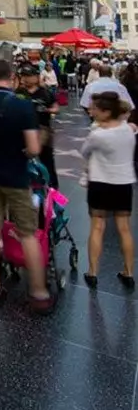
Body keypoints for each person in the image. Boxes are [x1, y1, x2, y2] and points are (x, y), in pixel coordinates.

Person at [0, 59, 54, 312]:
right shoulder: (22, 105)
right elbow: (34, 148)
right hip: (17, 177)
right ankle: (38, 292)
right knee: (27, 231)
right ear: (13, 77)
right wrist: (22, 151)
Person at [82, 91, 136, 290]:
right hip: (124, 183)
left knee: (97, 227)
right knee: (124, 228)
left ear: (105, 112)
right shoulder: (128, 130)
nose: (91, 110)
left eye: (95, 108)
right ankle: (129, 272)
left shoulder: (98, 135)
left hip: (100, 183)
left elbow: (84, 151)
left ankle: (93, 272)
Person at [16, 63, 59, 188]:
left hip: (43, 129)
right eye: (23, 76)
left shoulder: (44, 93)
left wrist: (50, 110)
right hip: (23, 131)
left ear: (36, 77)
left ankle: (53, 189)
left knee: (47, 161)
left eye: (28, 76)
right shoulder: (19, 92)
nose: (25, 79)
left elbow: (55, 106)